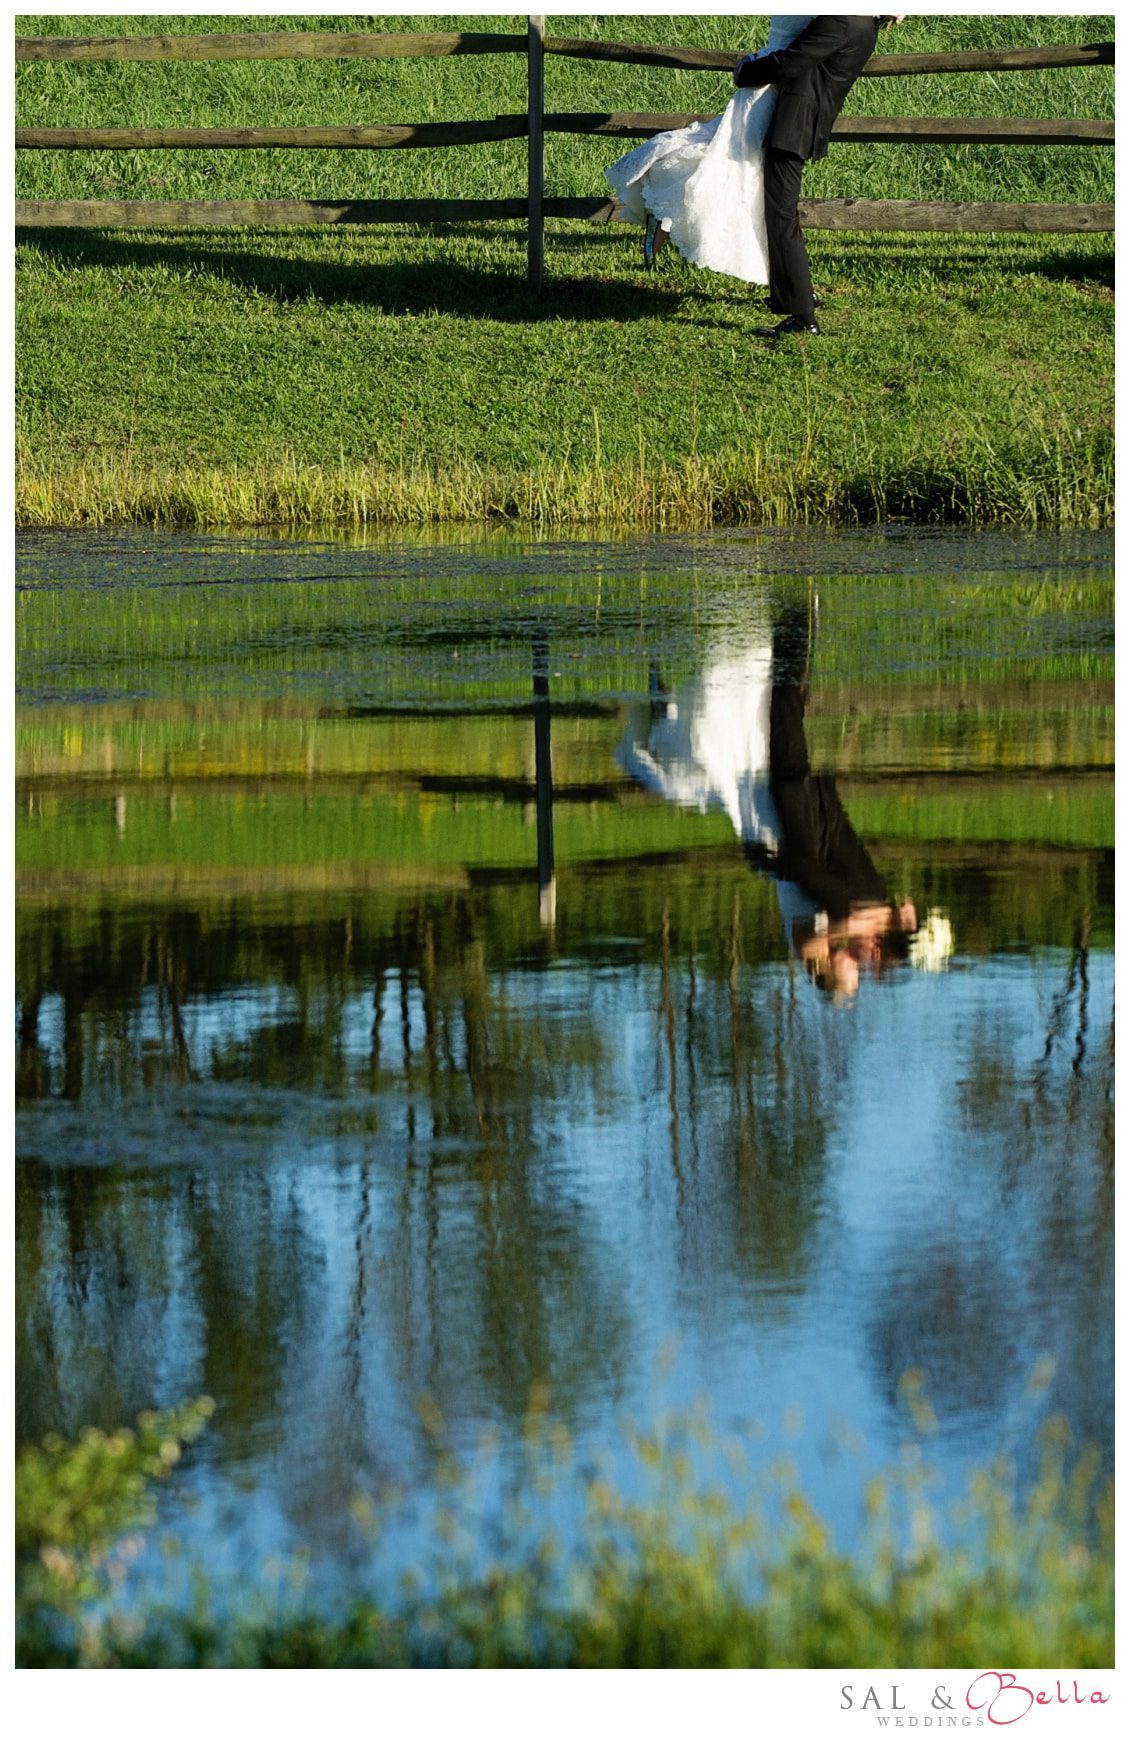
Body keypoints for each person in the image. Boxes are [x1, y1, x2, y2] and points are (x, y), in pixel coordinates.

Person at [616, 599, 919, 1002]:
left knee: (775, 721)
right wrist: (881, 921)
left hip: (778, 825)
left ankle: (793, 627)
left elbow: (825, 912)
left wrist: (865, 924)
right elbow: (847, 891)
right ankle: (792, 629)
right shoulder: (860, 918)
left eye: (851, 975)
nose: (857, 966)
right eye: (862, 971)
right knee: (774, 720)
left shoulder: (808, 948)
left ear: (828, 971)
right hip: (797, 813)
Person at [604, 16, 814, 284]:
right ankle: (669, 206)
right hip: (769, 80)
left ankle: (782, 279)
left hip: (778, 82)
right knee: (736, 163)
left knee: (742, 166)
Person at [736, 16, 905, 337]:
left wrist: (745, 72)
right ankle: (797, 294)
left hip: (794, 126)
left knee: (781, 215)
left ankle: (803, 317)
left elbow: (789, 63)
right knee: (782, 213)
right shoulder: (863, 26)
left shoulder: (842, 21)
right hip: (804, 123)